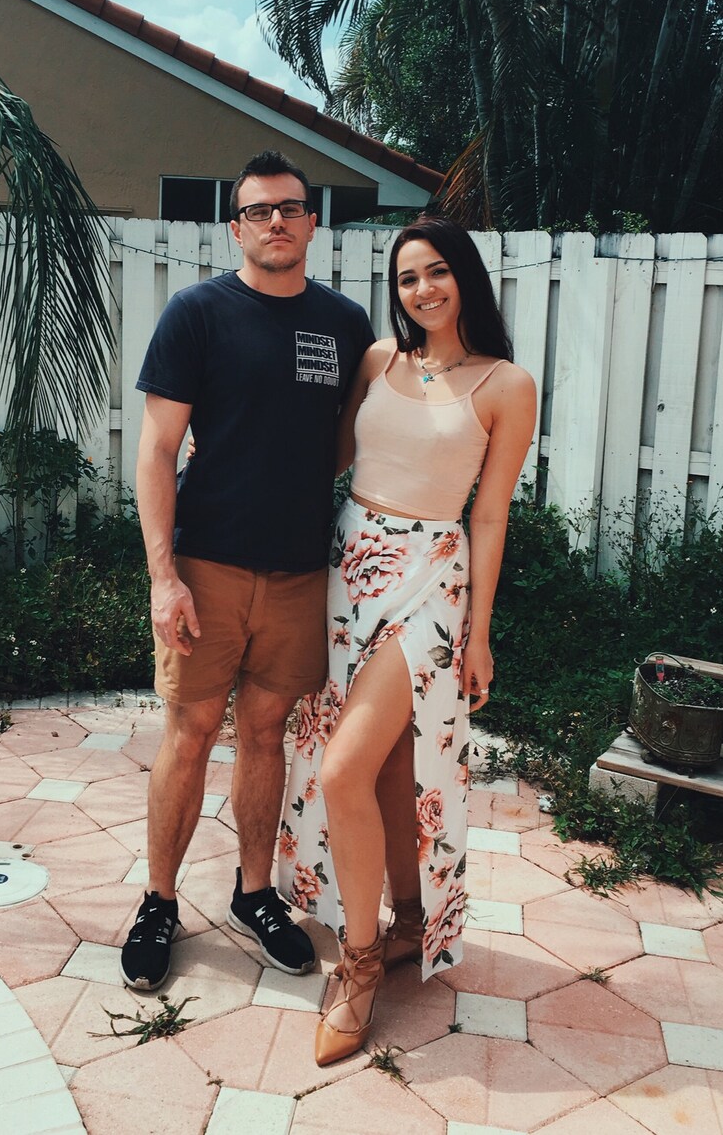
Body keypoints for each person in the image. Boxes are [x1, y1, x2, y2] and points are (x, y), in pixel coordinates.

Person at [277, 217, 537, 1065]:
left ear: (465, 278)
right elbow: (329, 456)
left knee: (343, 768)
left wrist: (481, 632)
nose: (422, 290)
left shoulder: (505, 384)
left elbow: (489, 516)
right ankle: (410, 919)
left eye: (436, 272)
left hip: (430, 581)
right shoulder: (378, 361)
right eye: (407, 278)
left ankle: (358, 967)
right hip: (348, 567)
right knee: (386, 768)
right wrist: (233, 447)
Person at [120, 149, 376, 992]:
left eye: (290, 208)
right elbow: (156, 452)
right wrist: (164, 577)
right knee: (191, 730)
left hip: (299, 573)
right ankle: (159, 902)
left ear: (312, 222)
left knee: (266, 732)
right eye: (259, 210)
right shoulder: (197, 314)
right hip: (207, 567)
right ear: (236, 228)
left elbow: (347, 439)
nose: (276, 222)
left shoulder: (344, 325)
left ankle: (254, 894)